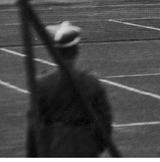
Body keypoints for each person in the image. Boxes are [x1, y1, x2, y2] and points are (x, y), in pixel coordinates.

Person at [27, 21, 113, 157]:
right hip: (87, 147)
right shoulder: (92, 82)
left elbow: (34, 126)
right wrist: (97, 147)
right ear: (77, 51)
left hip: (55, 146)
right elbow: (105, 121)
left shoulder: (42, 83)